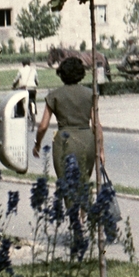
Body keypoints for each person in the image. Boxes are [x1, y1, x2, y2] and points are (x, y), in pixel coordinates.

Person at [33, 57, 102, 186]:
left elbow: (43, 126)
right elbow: (97, 125)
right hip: (87, 142)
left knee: (68, 189)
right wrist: (101, 150)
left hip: (65, 142)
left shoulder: (54, 95)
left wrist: (37, 144)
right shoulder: (90, 94)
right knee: (84, 187)